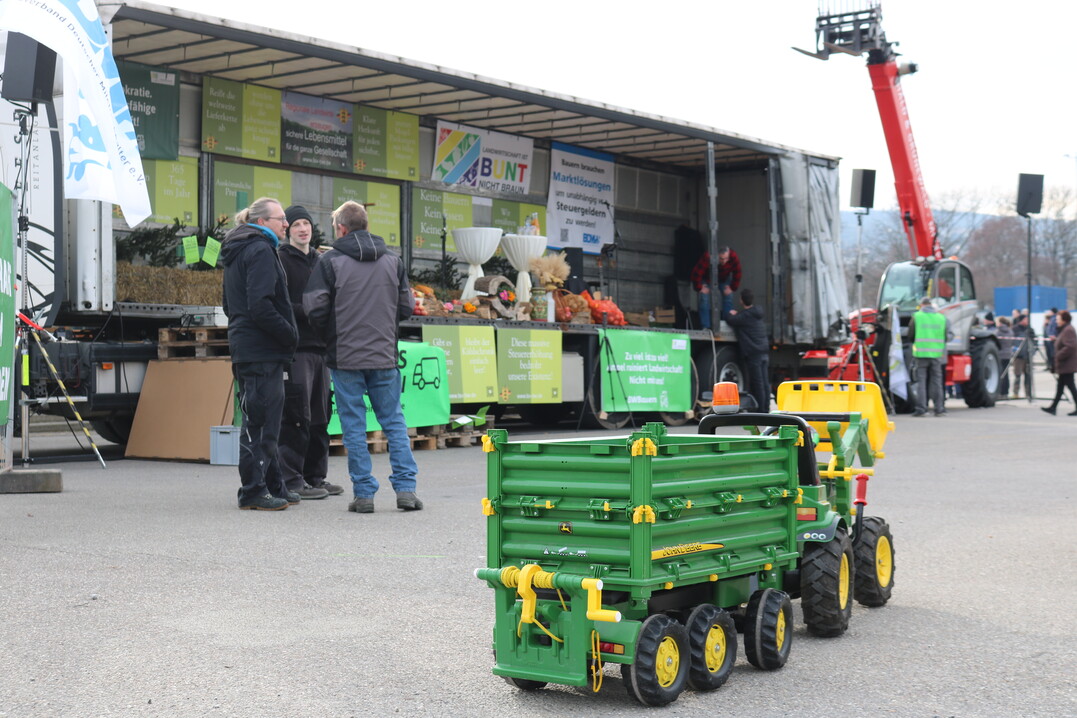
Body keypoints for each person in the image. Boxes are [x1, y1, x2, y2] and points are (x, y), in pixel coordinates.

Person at [303, 201, 422, 513]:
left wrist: (331, 332)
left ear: (340, 228)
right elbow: (407, 307)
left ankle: (364, 493)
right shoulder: (393, 261)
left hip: (345, 357)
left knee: (354, 425)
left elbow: (314, 307)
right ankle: (406, 489)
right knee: (394, 421)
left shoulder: (330, 262)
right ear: (366, 225)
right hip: (384, 355)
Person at [221, 197, 298, 511]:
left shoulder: (240, 248)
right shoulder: (259, 250)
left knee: (265, 419)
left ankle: (273, 484)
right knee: (262, 422)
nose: (286, 224)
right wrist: (289, 333)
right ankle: (253, 490)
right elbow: (261, 305)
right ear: (263, 222)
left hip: (248, 346)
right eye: (281, 218)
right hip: (261, 348)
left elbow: (229, 305)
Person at [276, 205, 340, 500]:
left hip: (321, 349)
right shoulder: (280, 260)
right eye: (297, 224)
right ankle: (292, 478)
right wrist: (309, 312)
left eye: (307, 224)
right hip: (297, 348)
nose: (303, 229)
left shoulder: (322, 261)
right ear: (288, 229)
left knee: (320, 416)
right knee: (297, 414)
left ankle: (316, 476)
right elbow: (279, 304)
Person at [724, 288, 769, 412]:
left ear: (741, 300)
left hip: (754, 353)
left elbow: (730, 320)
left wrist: (731, 313)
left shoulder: (744, 316)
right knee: (765, 383)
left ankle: (761, 411)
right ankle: (766, 409)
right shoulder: (756, 312)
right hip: (763, 351)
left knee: (758, 383)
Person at [908, 296, 948, 416]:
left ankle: (922, 409)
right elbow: (945, 336)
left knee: (921, 382)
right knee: (937, 382)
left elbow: (911, 334)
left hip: (921, 354)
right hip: (936, 354)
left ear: (922, 305)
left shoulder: (917, 316)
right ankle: (939, 408)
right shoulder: (941, 318)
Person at [690, 246, 741, 330]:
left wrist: (732, 287)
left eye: (726, 259)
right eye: (721, 259)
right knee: (704, 298)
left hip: (723, 278)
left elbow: (738, 272)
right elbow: (696, 273)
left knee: (729, 296)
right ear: (717, 255)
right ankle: (705, 326)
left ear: (729, 256)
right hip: (707, 278)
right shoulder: (707, 257)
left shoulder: (733, 256)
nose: (724, 261)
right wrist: (699, 288)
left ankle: (727, 324)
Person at [1041, 310, 1077, 416]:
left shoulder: (1068, 330)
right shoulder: (1065, 329)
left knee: (1070, 386)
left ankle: (1053, 407)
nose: (1056, 321)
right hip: (1065, 364)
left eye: (1058, 319)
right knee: (1061, 387)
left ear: (1064, 319)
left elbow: (1070, 346)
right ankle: (1053, 407)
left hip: (1067, 364)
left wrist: (1058, 355)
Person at [1011, 314, 1036, 399]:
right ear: (1021, 320)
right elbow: (1012, 342)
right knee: (1017, 375)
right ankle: (1015, 392)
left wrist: (1033, 351)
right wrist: (1014, 351)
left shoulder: (1030, 329)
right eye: (1026, 319)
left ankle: (1028, 393)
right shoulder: (1015, 329)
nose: (1027, 321)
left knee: (1028, 375)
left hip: (1028, 356)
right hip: (1018, 356)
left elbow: (1034, 341)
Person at [995, 315, 1013, 399]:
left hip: (1000, 354)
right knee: (1006, 374)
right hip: (1008, 354)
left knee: (1000, 374)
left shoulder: (998, 332)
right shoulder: (1010, 331)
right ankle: (1005, 392)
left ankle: (1000, 392)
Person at [1043, 308, 1058, 373]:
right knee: (1049, 354)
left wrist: (1052, 335)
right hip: (1048, 340)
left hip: (1052, 340)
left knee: (1053, 354)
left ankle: (1054, 367)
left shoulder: (1054, 319)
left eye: (1049, 311)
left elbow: (1053, 330)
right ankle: (1050, 366)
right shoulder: (1050, 319)